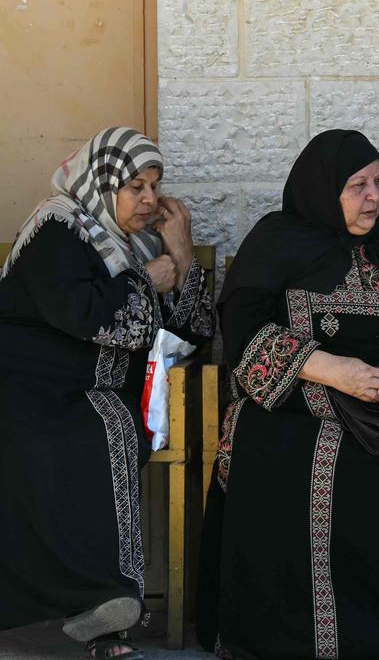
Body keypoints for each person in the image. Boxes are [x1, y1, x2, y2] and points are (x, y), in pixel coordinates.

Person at [196, 130, 379, 659]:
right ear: (322, 189)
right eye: (357, 185)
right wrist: (331, 369)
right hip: (301, 400)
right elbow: (242, 329)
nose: (374, 196)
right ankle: (299, 636)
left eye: (378, 182)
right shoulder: (276, 238)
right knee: (288, 453)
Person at [0, 128, 214, 660]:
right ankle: (100, 603)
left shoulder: (138, 245)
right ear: (101, 184)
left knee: (113, 426)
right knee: (84, 435)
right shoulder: (58, 226)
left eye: (155, 186)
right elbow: (84, 316)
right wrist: (148, 279)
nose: (148, 200)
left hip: (91, 390)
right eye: (134, 187)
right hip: (26, 387)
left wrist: (183, 254)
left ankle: (107, 609)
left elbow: (188, 336)